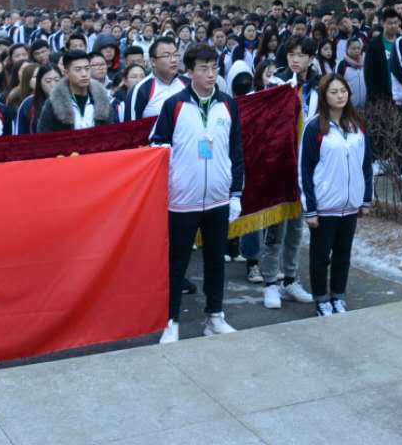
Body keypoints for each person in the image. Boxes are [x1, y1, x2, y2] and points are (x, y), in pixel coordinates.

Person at [151, 43, 244, 342]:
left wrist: (236, 194)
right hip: (182, 199)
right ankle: (171, 321)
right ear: (189, 71)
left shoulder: (227, 105)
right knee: (177, 263)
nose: (210, 74)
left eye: (214, 67)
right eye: (203, 68)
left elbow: (236, 151)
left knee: (216, 260)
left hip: (218, 197)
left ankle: (215, 317)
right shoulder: (174, 105)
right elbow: (157, 146)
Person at [300, 73, 373, 316]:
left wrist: (365, 198)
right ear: (324, 96)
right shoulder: (314, 128)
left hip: (350, 204)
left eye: (343, 91)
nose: (340, 96)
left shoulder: (357, 125)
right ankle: (321, 299)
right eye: (334, 92)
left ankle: (338, 296)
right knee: (321, 256)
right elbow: (305, 170)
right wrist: (309, 208)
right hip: (324, 205)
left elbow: (365, 164)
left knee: (343, 254)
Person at [260, 39, 318, 310]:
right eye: (292, 55)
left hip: (305, 163)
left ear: (310, 59)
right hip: (280, 162)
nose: (296, 59)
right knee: (275, 227)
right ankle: (270, 282)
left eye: (302, 55)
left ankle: (290, 279)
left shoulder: (318, 84)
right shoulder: (277, 83)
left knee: (297, 227)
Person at [36, 49, 114, 131]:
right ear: (66, 73)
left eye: (87, 68)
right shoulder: (54, 103)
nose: (84, 74)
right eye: (78, 69)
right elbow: (43, 137)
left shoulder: (102, 99)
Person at [125, 38, 187, 122]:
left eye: (176, 55)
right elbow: (130, 129)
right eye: (167, 56)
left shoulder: (188, 84)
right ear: (153, 61)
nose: (174, 60)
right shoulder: (141, 90)